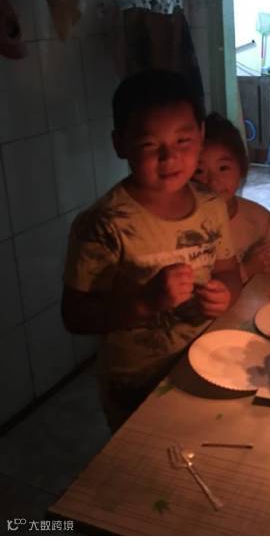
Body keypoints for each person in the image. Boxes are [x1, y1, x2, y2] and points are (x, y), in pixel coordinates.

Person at [61, 70, 242, 432]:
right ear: (120, 144)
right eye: (149, 145)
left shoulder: (212, 206)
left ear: (201, 134)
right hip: (135, 384)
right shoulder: (103, 224)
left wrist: (225, 294)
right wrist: (146, 301)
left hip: (205, 363)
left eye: (183, 140)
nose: (169, 157)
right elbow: (74, 315)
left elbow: (227, 272)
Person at [194, 112, 270, 282]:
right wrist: (247, 269)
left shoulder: (259, 219)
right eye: (199, 171)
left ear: (241, 167)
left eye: (223, 168)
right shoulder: (185, 227)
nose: (213, 181)